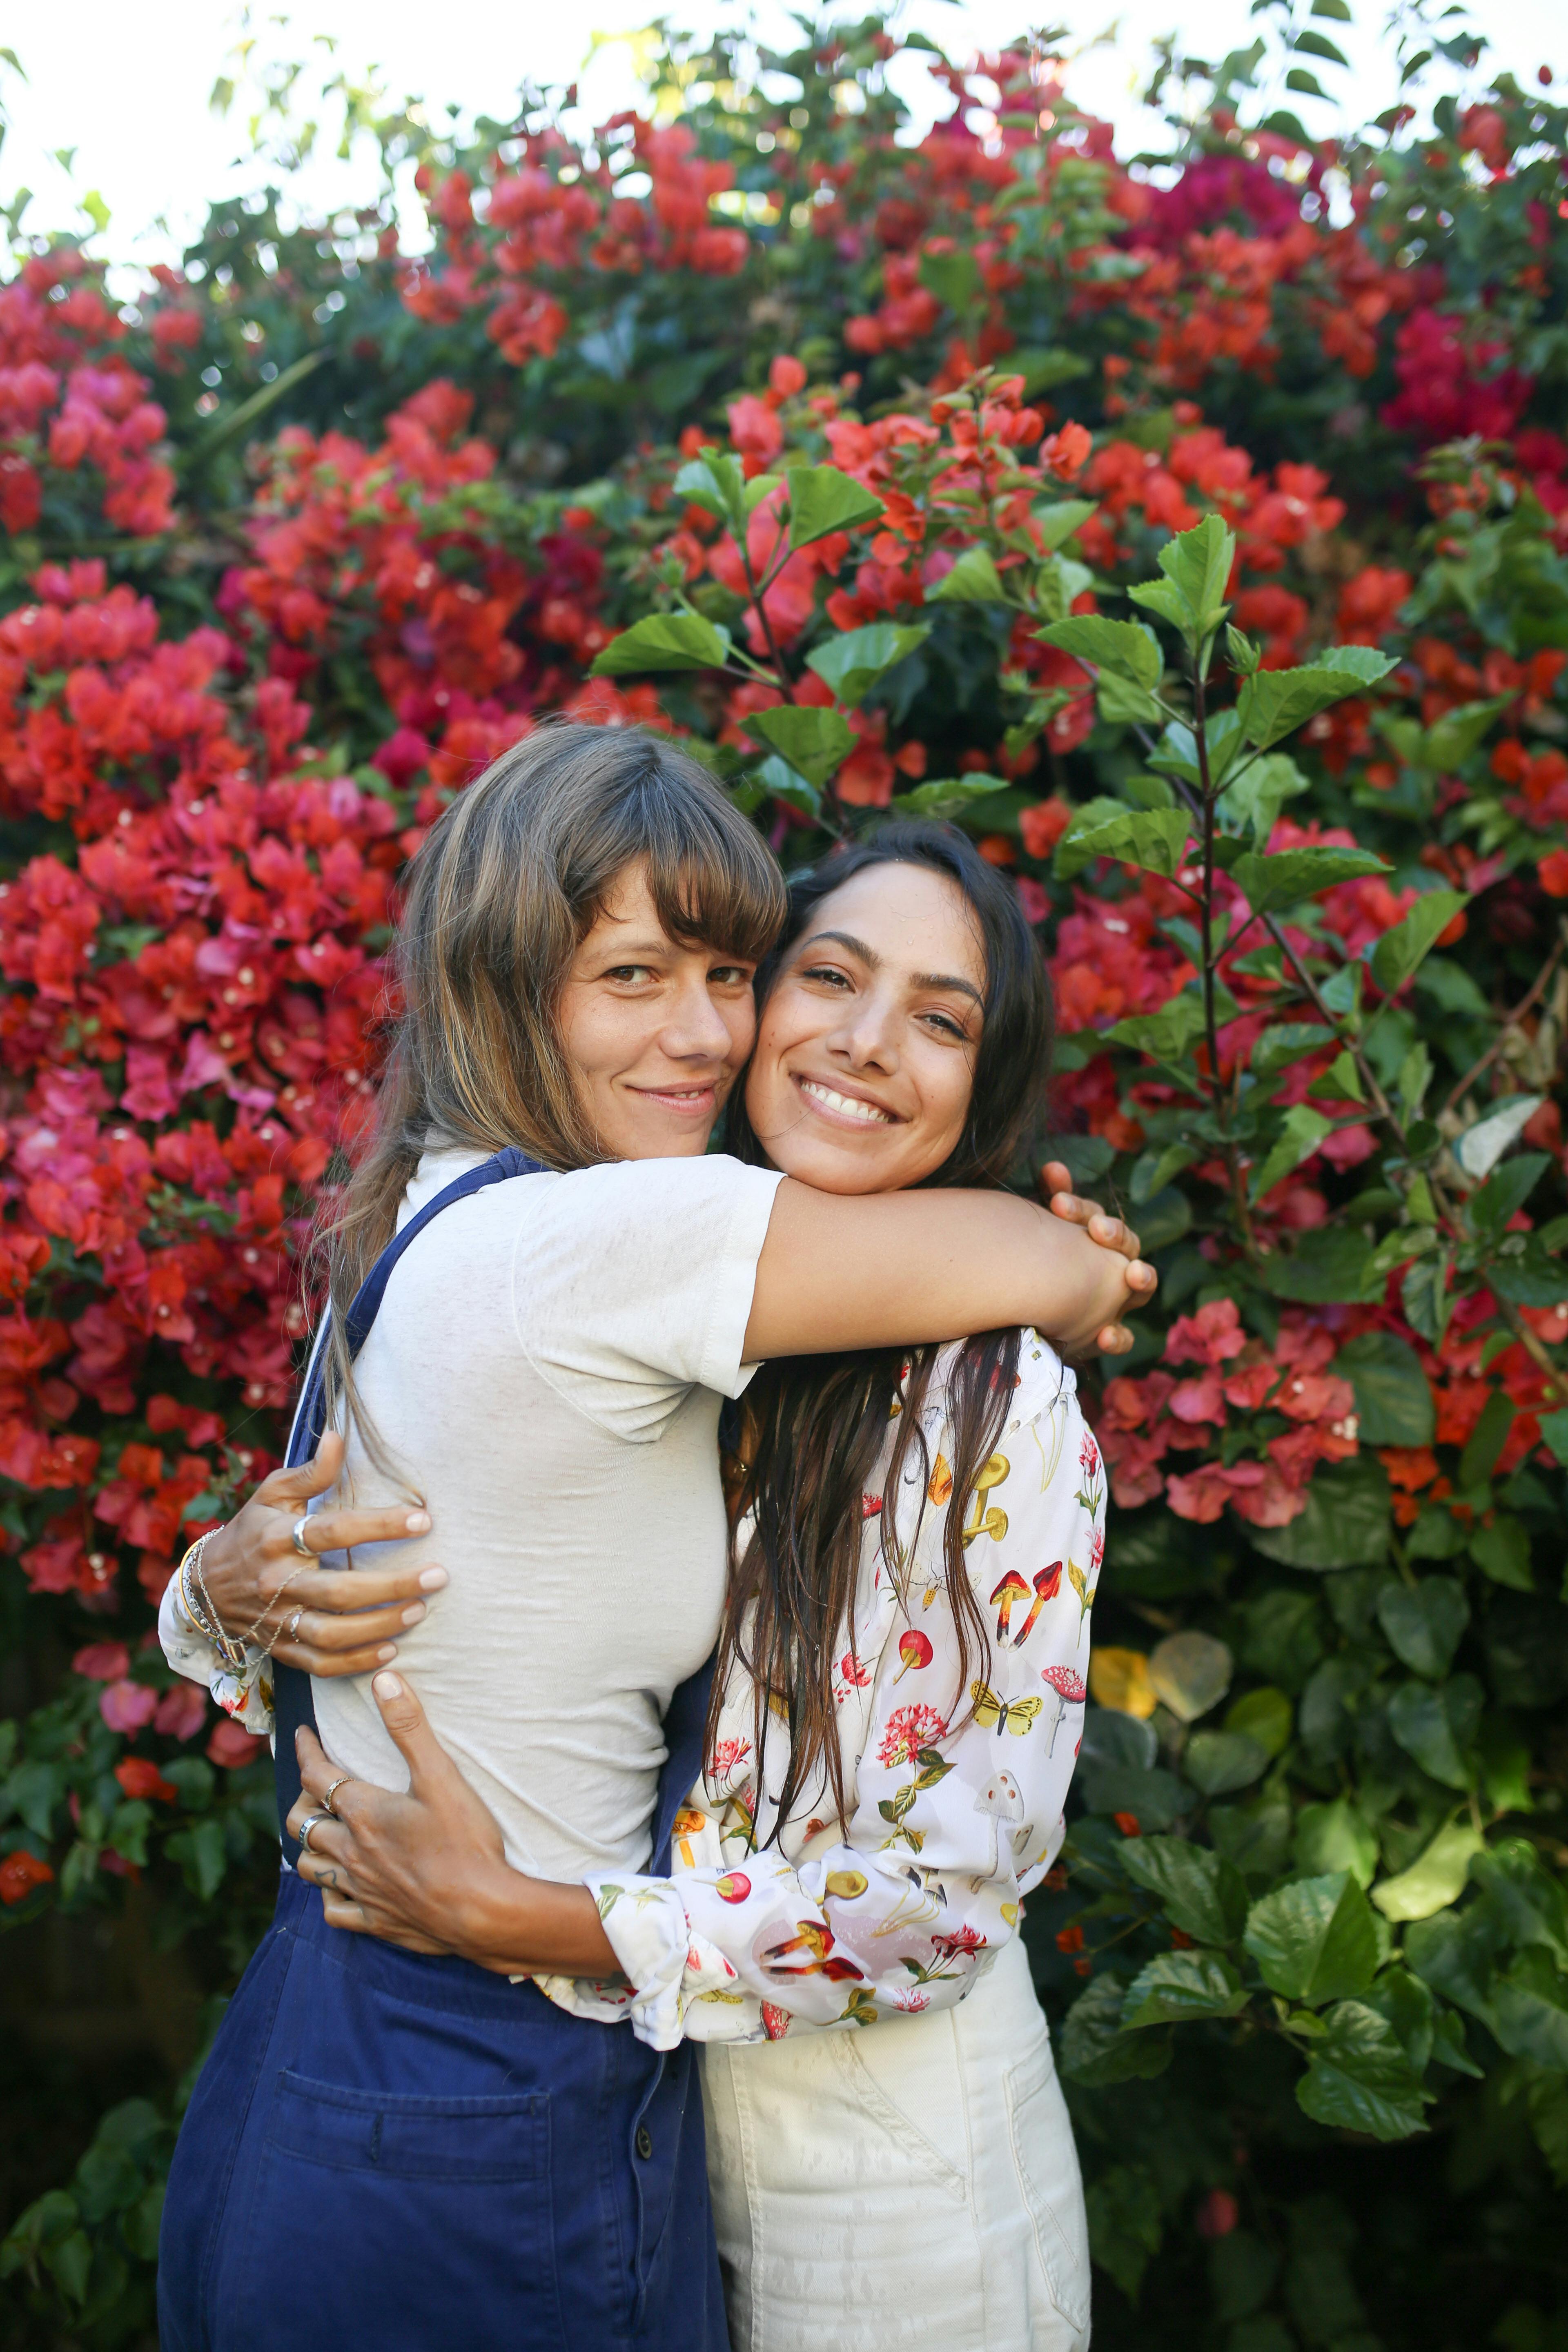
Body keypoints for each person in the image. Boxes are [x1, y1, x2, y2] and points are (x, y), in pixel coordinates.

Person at [158, 728, 1149, 2352]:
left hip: (865, 2164)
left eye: (725, 974)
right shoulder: (623, 1247)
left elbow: (958, 1889)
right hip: (518, 2101)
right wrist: (1081, 1259)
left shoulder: (970, 1389)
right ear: (509, 981)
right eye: (817, 976)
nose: (707, 1031)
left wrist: (537, 1918)